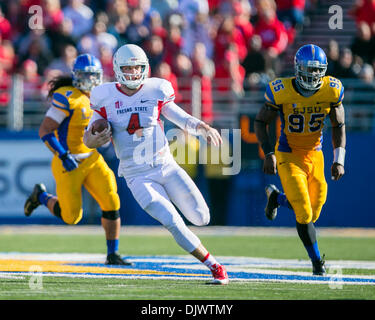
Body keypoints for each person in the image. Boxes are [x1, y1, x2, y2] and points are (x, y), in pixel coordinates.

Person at [83, 44, 229, 285]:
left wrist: (201, 127)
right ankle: (214, 266)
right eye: (127, 68)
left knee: (202, 217)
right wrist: (92, 139)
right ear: (118, 69)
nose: (132, 73)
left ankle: (208, 256)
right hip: (136, 175)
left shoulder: (156, 89)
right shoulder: (104, 95)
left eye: (137, 68)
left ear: (145, 68)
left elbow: (178, 116)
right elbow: (89, 135)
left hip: (166, 166)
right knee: (172, 220)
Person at [24, 54, 132, 266]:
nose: (91, 80)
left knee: (111, 200)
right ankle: (42, 196)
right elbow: (45, 130)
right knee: (71, 217)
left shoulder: (103, 97)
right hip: (68, 161)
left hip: (91, 158)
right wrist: (63, 155)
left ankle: (113, 253)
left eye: (94, 76)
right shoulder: (68, 97)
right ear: (76, 76)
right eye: (86, 75)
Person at [254, 44, 346, 276]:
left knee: (314, 212)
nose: (314, 75)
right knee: (304, 212)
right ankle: (317, 263)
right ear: (297, 68)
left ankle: (276, 198)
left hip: (315, 154)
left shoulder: (332, 90)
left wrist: (339, 159)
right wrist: (269, 153)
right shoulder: (281, 90)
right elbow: (260, 122)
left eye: (318, 70)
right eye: (309, 69)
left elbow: (338, 124)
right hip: (288, 154)